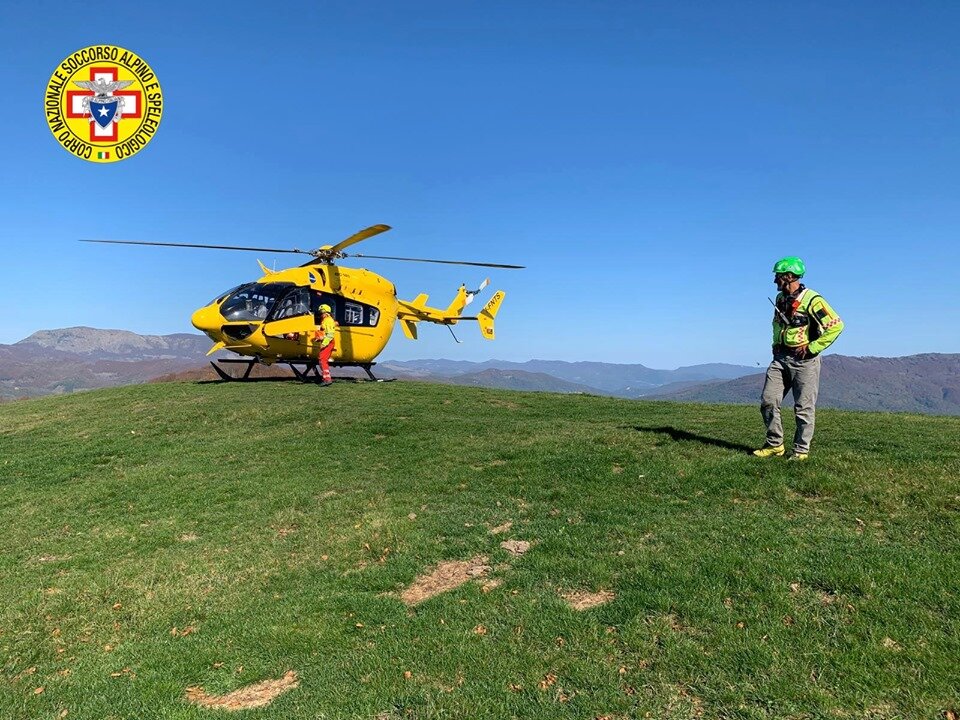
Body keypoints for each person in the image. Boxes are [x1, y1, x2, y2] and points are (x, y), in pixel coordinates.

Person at [753, 257, 844, 461]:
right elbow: (777, 324)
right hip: (780, 358)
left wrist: (812, 348)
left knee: (803, 408)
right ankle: (775, 444)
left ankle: (801, 451)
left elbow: (836, 325)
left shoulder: (813, 299)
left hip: (805, 361)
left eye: (778, 276)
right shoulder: (780, 298)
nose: (775, 280)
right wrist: (775, 344)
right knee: (768, 400)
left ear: (789, 276)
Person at [315, 304, 336, 386]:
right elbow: (325, 333)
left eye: (321, 313)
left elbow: (330, 334)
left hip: (328, 342)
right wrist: (319, 338)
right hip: (327, 341)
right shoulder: (326, 320)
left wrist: (324, 343)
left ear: (326, 313)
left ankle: (327, 379)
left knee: (322, 360)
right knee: (322, 360)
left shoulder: (328, 320)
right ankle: (326, 378)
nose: (320, 315)